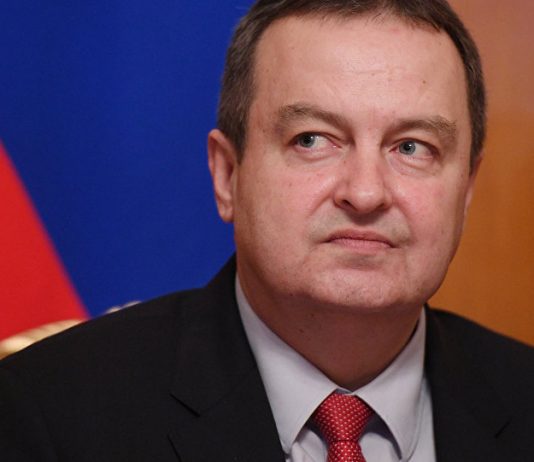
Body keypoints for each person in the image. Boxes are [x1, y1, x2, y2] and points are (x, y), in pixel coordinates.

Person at [1, 0, 533, 461]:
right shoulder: (47, 412)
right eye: (312, 139)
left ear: (466, 190)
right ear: (227, 175)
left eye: (412, 147)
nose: (366, 192)